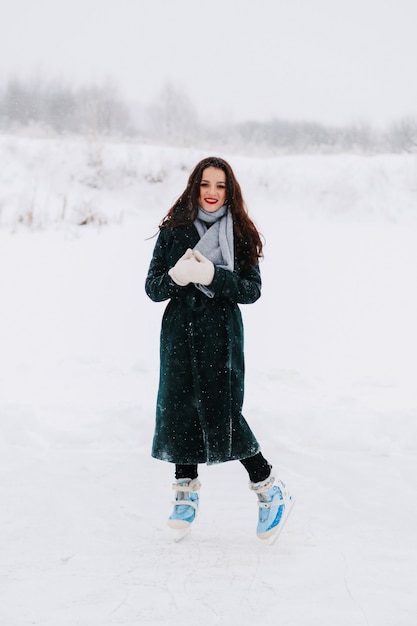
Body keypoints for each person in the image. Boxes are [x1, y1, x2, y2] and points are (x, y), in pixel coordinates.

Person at [145, 156, 292, 541]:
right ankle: (185, 494)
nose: (212, 193)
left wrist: (212, 275)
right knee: (179, 406)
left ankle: (269, 489)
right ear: (195, 186)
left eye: (220, 186)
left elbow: (251, 290)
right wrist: (177, 276)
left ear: (230, 190)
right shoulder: (173, 229)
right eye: (205, 184)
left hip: (221, 334)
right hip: (179, 332)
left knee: (223, 410)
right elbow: (153, 288)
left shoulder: (239, 232)